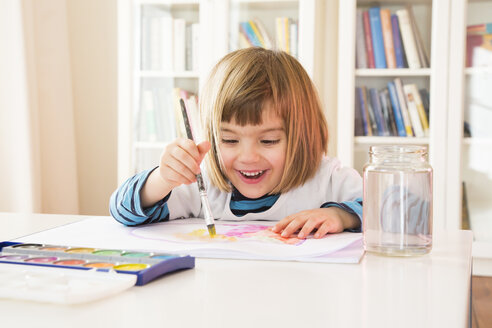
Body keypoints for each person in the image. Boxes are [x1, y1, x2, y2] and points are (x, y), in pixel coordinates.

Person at [110, 47, 362, 239]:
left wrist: (341, 215)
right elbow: (121, 211)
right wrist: (162, 179)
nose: (248, 156)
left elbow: (392, 209)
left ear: (302, 136)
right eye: (229, 139)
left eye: (268, 140)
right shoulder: (202, 182)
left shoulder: (327, 180)